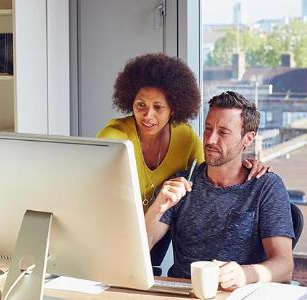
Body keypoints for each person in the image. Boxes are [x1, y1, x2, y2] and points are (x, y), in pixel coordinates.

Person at [96, 54, 270, 270]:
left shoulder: (185, 138)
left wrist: (249, 162)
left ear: (173, 109)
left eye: (158, 107)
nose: (147, 115)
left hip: (154, 239)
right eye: (140, 105)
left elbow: (212, 165)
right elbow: (97, 200)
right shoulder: (113, 138)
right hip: (114, 235)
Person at [144, 91, 294, 291]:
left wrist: (245, 274)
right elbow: (141, 248)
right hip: (181, 291)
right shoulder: (181, 183)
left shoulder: (265, 187)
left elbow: (285, 266)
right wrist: (157, 208)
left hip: (236, 293)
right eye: (207, 129)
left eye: (223, 132)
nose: (210, 140)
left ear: (248, 139)